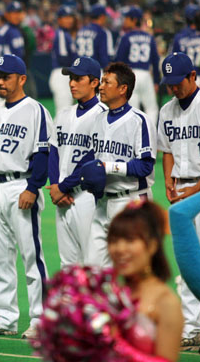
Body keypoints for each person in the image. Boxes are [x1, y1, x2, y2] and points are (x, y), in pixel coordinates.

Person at [0, 54, 52, 339]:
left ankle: (41, 318)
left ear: (21, 79)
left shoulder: (36, 110)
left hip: (20, 186)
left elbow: (43, 153)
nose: (0, 82)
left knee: (31, 256)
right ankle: (6, 317)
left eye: (5, 77)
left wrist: (33, 187)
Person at [157, 52, 200, 354]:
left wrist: (199, 187)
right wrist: (168, 179)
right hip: (183, 192)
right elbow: (166, 149)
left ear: (193, 77)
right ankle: (190, 329)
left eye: (178, 82)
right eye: (169, 83)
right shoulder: (166, 110)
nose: (174, 88)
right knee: (186, 262)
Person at [78, 62, 156, 266]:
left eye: (107, 82)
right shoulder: (99, 119)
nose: (101, 86)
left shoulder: (140, 120)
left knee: (135, 269)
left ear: (123, 89)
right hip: (103, 202)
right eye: (101, 81)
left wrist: (108, 167)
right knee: (93, 267)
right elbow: (92, 158)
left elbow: (145, 166)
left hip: (132, 202)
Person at [47, 56, 106, 267]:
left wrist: (63, 187)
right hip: (62, 197)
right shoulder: (64, 113)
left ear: (94, 82)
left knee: (91, 263)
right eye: (71, 78)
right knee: (68, 265)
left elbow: (91, 159)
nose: (72, 83)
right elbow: (53, 151)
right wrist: (55, 185)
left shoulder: (102, 115)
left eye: (78, 79)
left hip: (87, 197)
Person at [107, 200, 183, 361]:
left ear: (152, 246)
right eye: (114, 240)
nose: (120, 249)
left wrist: (116, 344)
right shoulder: (111, 294)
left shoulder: (166, 302)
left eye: (130, 241)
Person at [114, 6, 160, 124]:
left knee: (132, 109)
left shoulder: (126, 37)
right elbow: (155, 61)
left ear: (134, 20)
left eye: (127, 18)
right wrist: (156, 81)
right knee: (151, 108)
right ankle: (150, 132)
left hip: (130, 74)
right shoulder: (149, 37)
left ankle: (133, 132)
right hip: (145, 74)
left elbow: (119, 60)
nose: (125, 21)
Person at [49, 6, 77, 115]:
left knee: (68, 112)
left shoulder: (66, 34)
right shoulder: (61, 34)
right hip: (61, 74)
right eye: (66, 17)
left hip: (65, 74)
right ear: (59, 19)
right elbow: (63, 58)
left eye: (70, 17)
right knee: (63, 112)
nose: (69, 20)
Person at [75, 4, 114, 70]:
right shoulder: (101, 32)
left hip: (79, 68)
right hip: (94, 69)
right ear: (102, 17)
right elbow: (103, 56)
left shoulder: (81, 31)